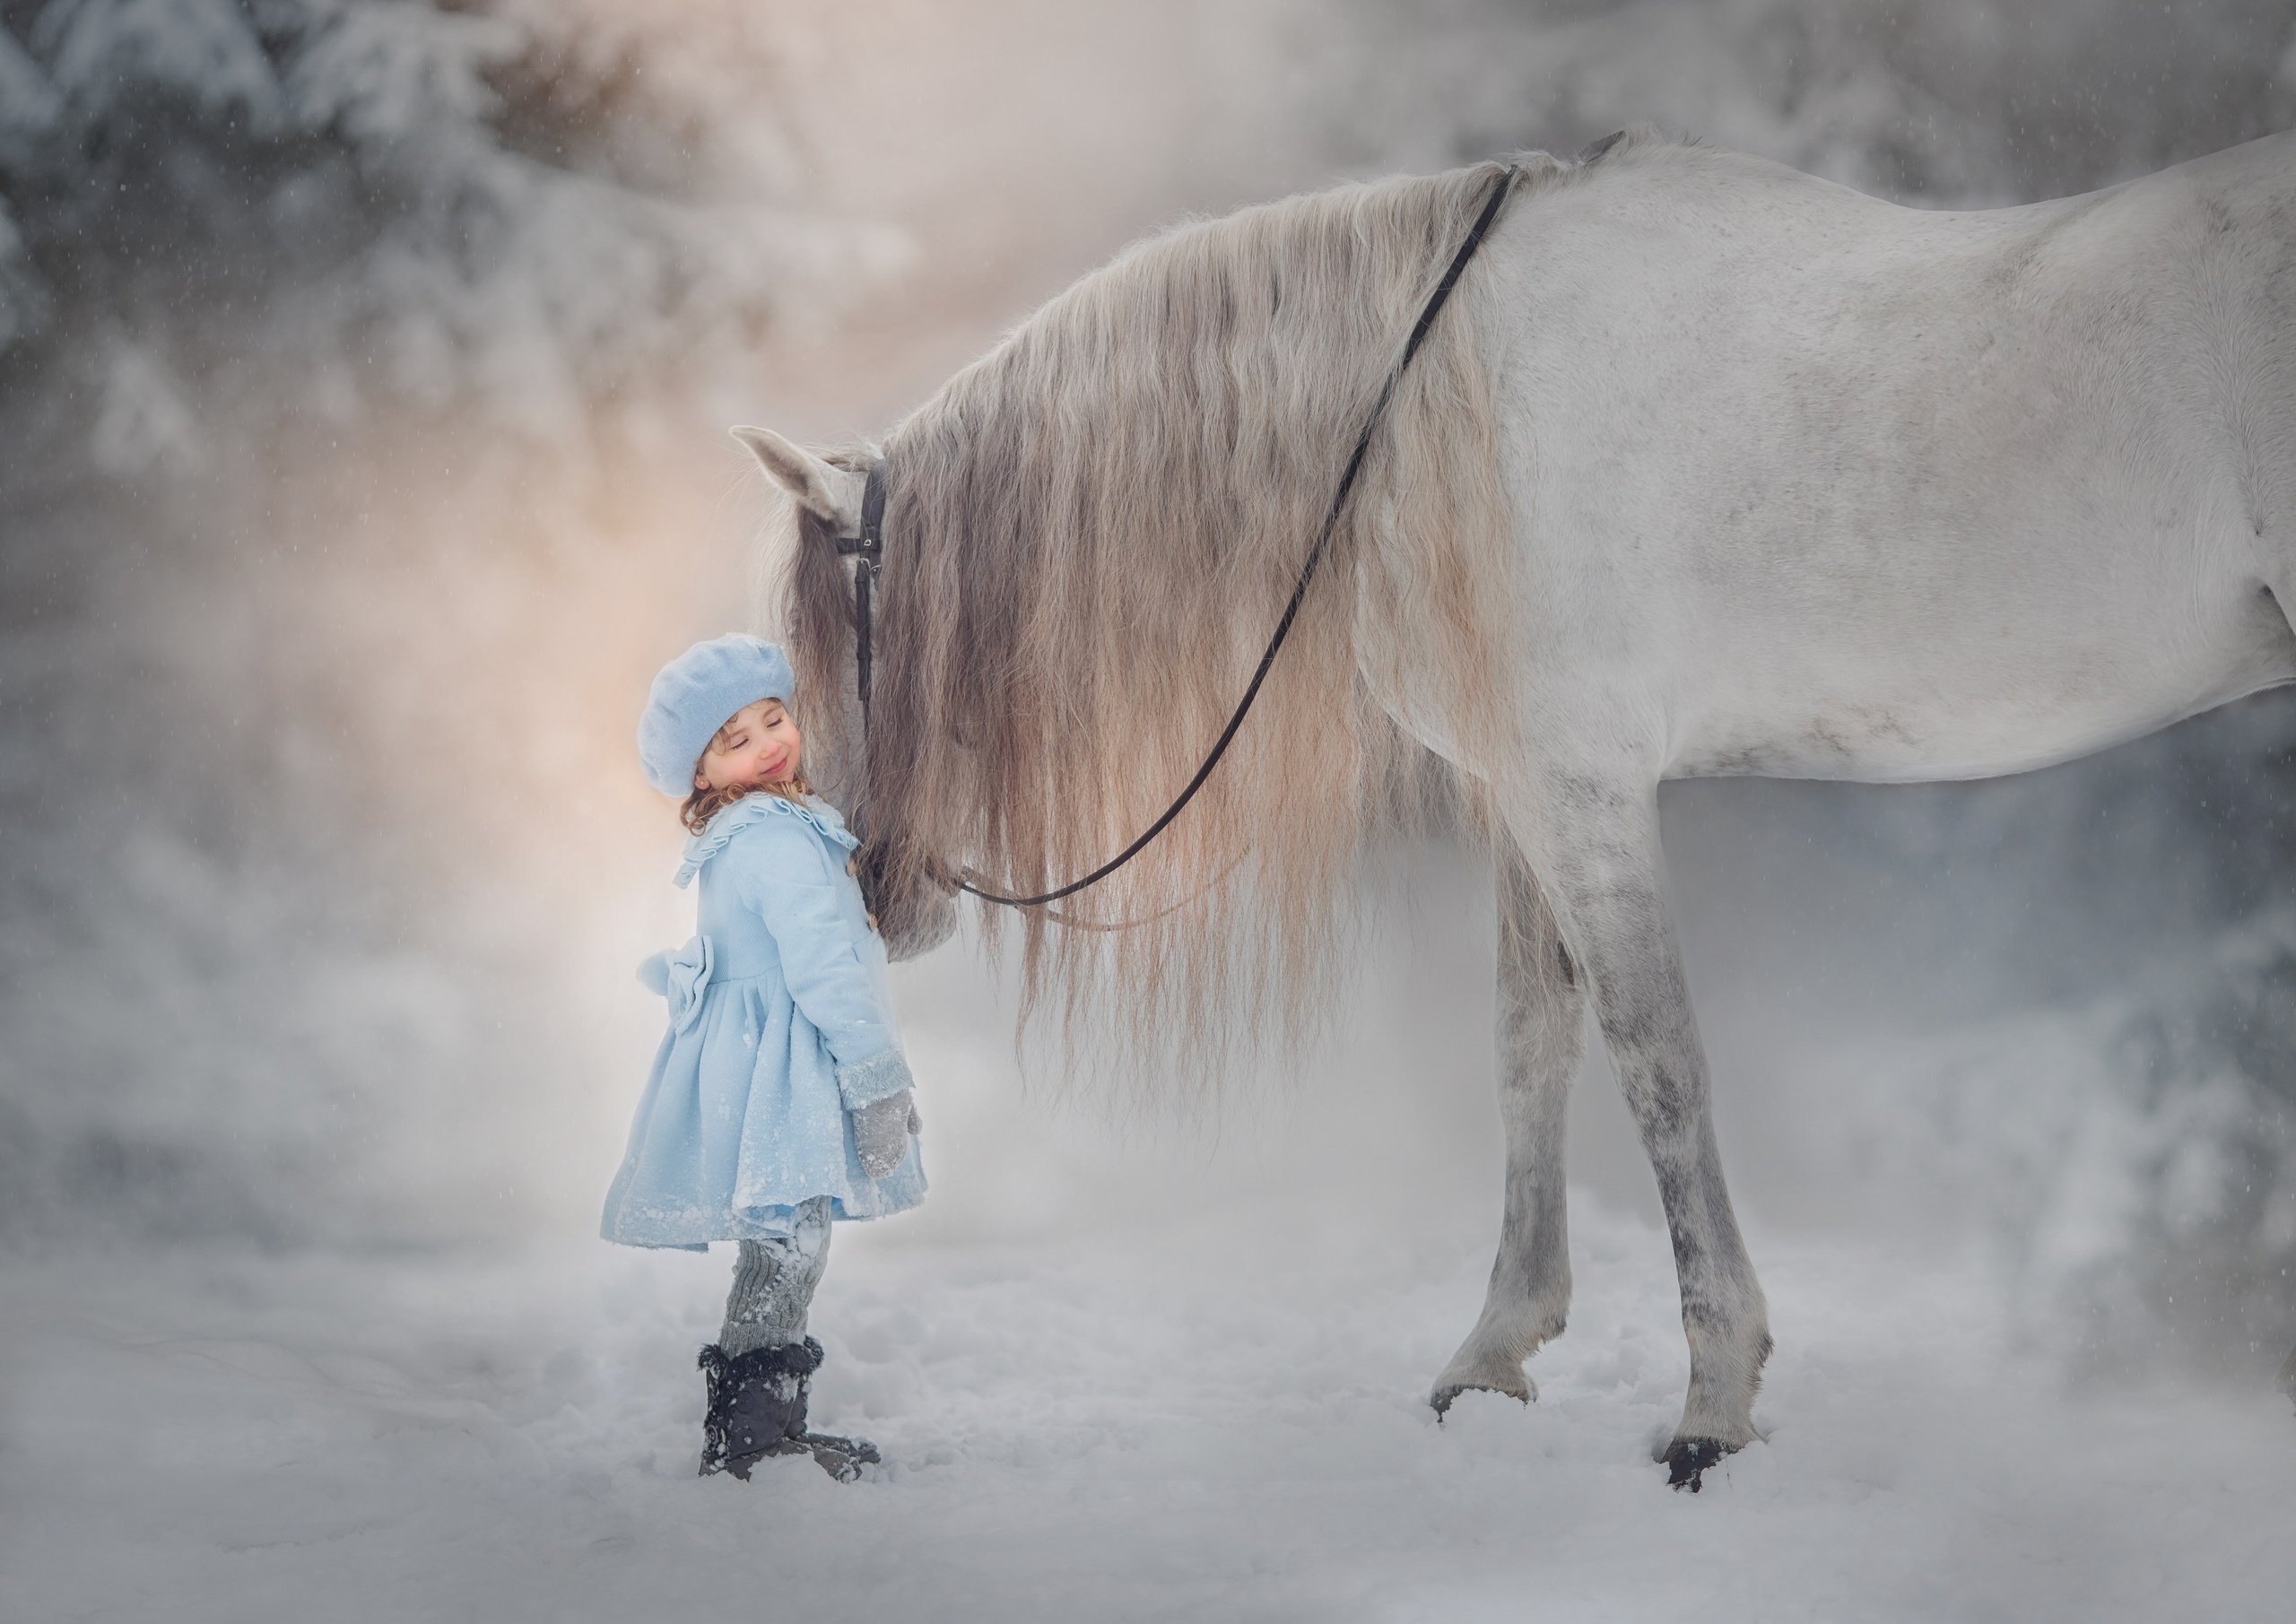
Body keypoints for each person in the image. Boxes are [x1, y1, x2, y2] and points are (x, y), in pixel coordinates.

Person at [603, 633, 924, 1481]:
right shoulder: (771, 837)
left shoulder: (768, 823)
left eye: (774, 719)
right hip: (780, 1073)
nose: (768, 744)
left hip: (770, 1063)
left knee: (787, 1240)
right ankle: (752, 1439)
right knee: (787, 1242)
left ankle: (760, 1429)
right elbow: (822, 967)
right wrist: (874, 1077)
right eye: (736, 740)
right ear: (702, 774)